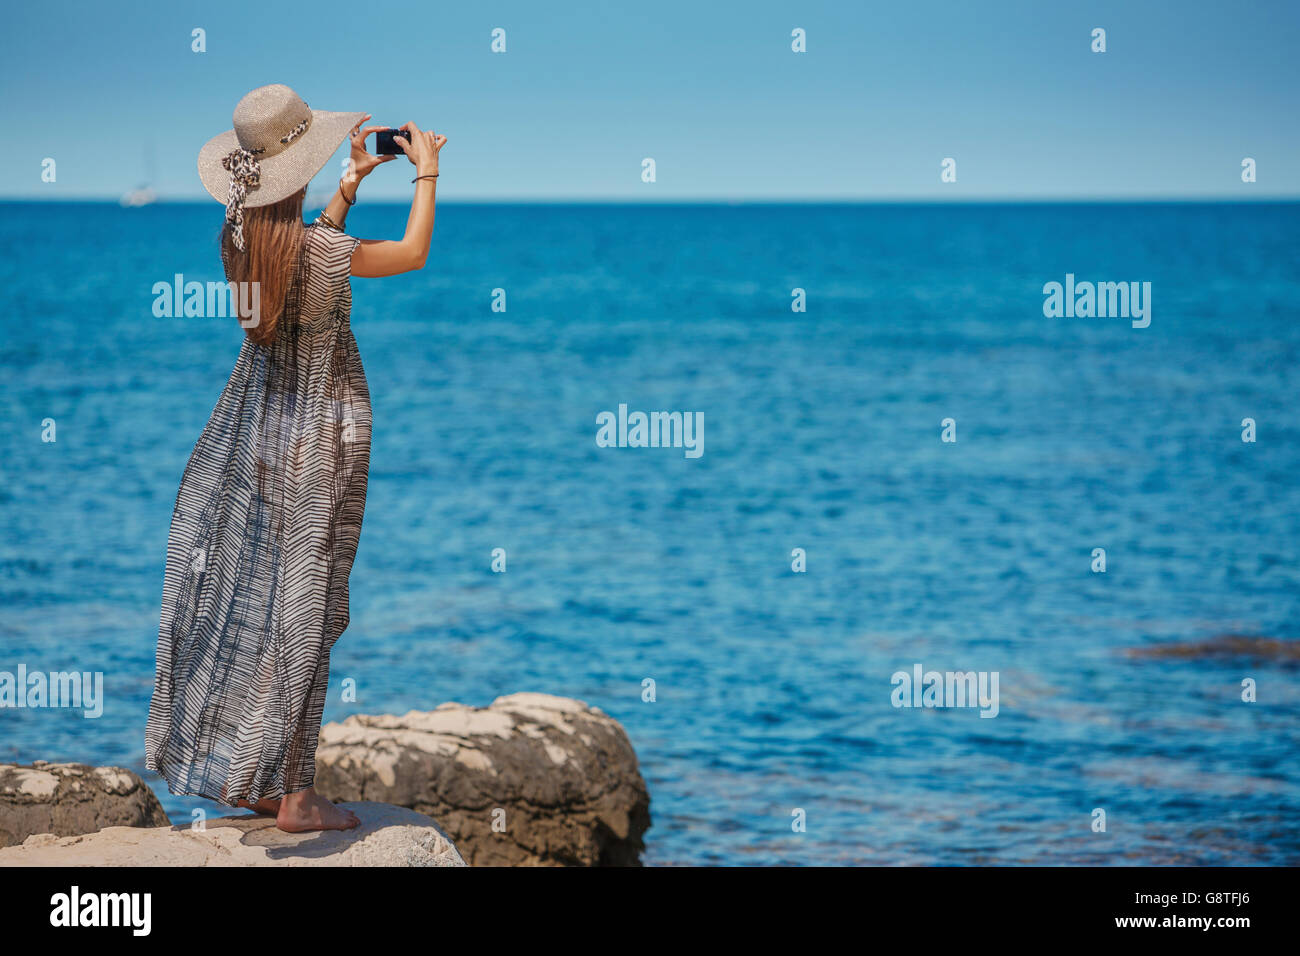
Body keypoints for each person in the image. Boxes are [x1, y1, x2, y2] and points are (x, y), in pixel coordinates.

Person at [144, 84, 446, 832]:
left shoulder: (239, 244)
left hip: (265, 439)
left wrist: (345, 189)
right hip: (326, 442)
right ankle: (298, 796)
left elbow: (298, 251)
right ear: (296, 170)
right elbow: (411, 255)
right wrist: (427, 172)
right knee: (311, 612)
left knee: (263, 602)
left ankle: (251, 779)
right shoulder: (320, 252)